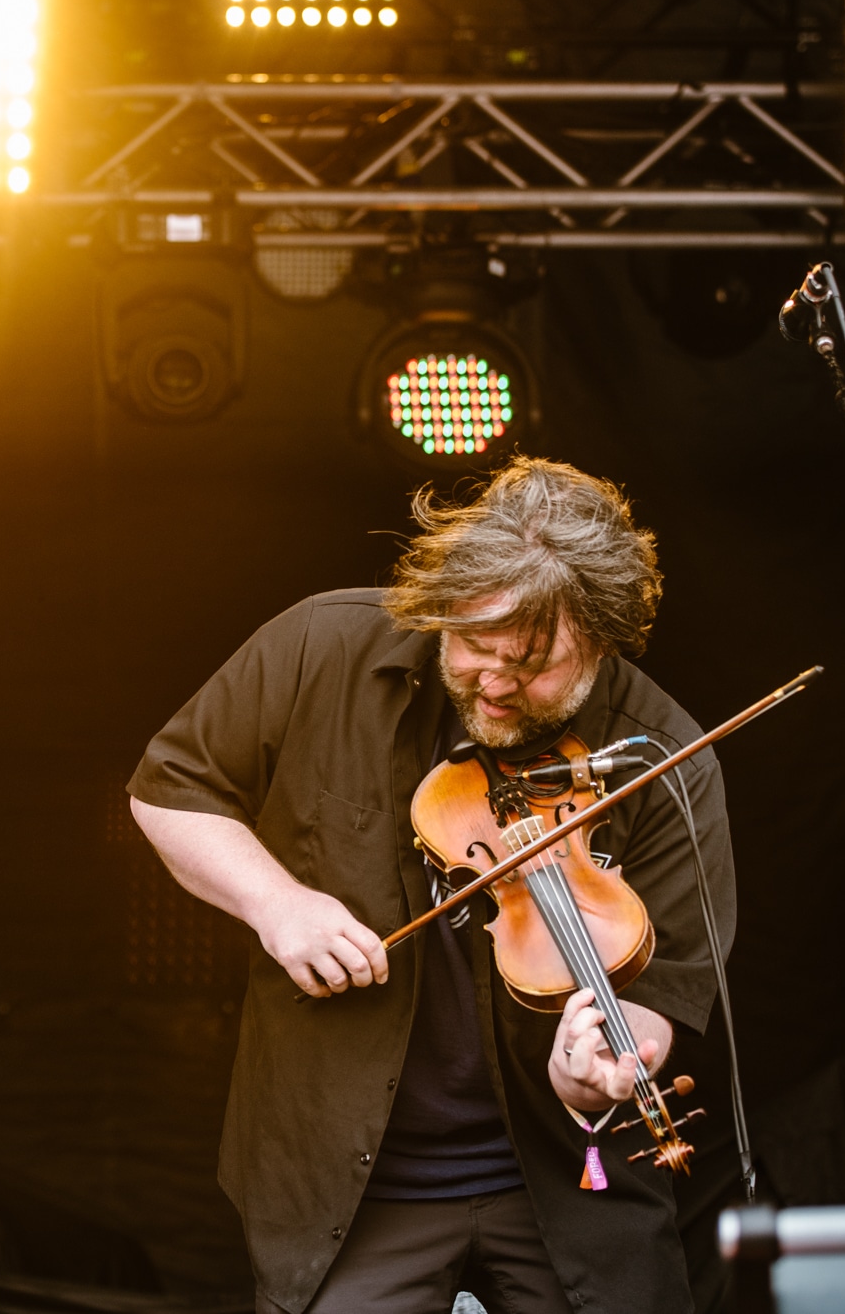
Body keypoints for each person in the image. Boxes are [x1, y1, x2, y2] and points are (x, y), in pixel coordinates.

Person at [128, 457, 735, 1314]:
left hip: (573, 1179)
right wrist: (277, 903)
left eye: (532, 664)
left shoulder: (662, 756)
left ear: (602, 643)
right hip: (350, 1187)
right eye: (474, 644)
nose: (495, 681)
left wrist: (601, 1065)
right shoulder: (321, 646)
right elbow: (170, 787)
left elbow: (659, 993)